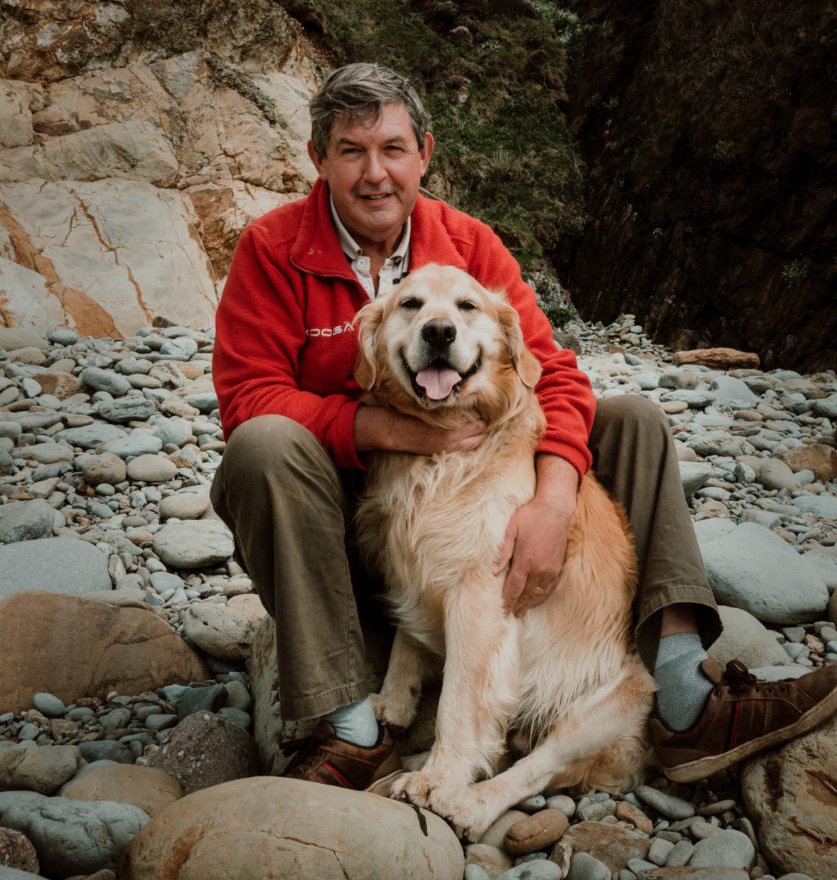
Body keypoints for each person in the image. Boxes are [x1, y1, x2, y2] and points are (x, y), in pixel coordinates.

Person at [210, 62, 837, 791]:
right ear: (319, 160)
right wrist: (386, 429)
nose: (374, 173)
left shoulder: (469, 244)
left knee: (631, 420)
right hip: (347, 531)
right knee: (262, 445)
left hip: (472, 508)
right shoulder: (272, 247)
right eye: (350, 151)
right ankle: (349, 726)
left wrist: (551, 501)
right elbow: (247, 398)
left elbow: (557, 374)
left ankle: (684, 698)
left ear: (424, 155)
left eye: (391, 149)